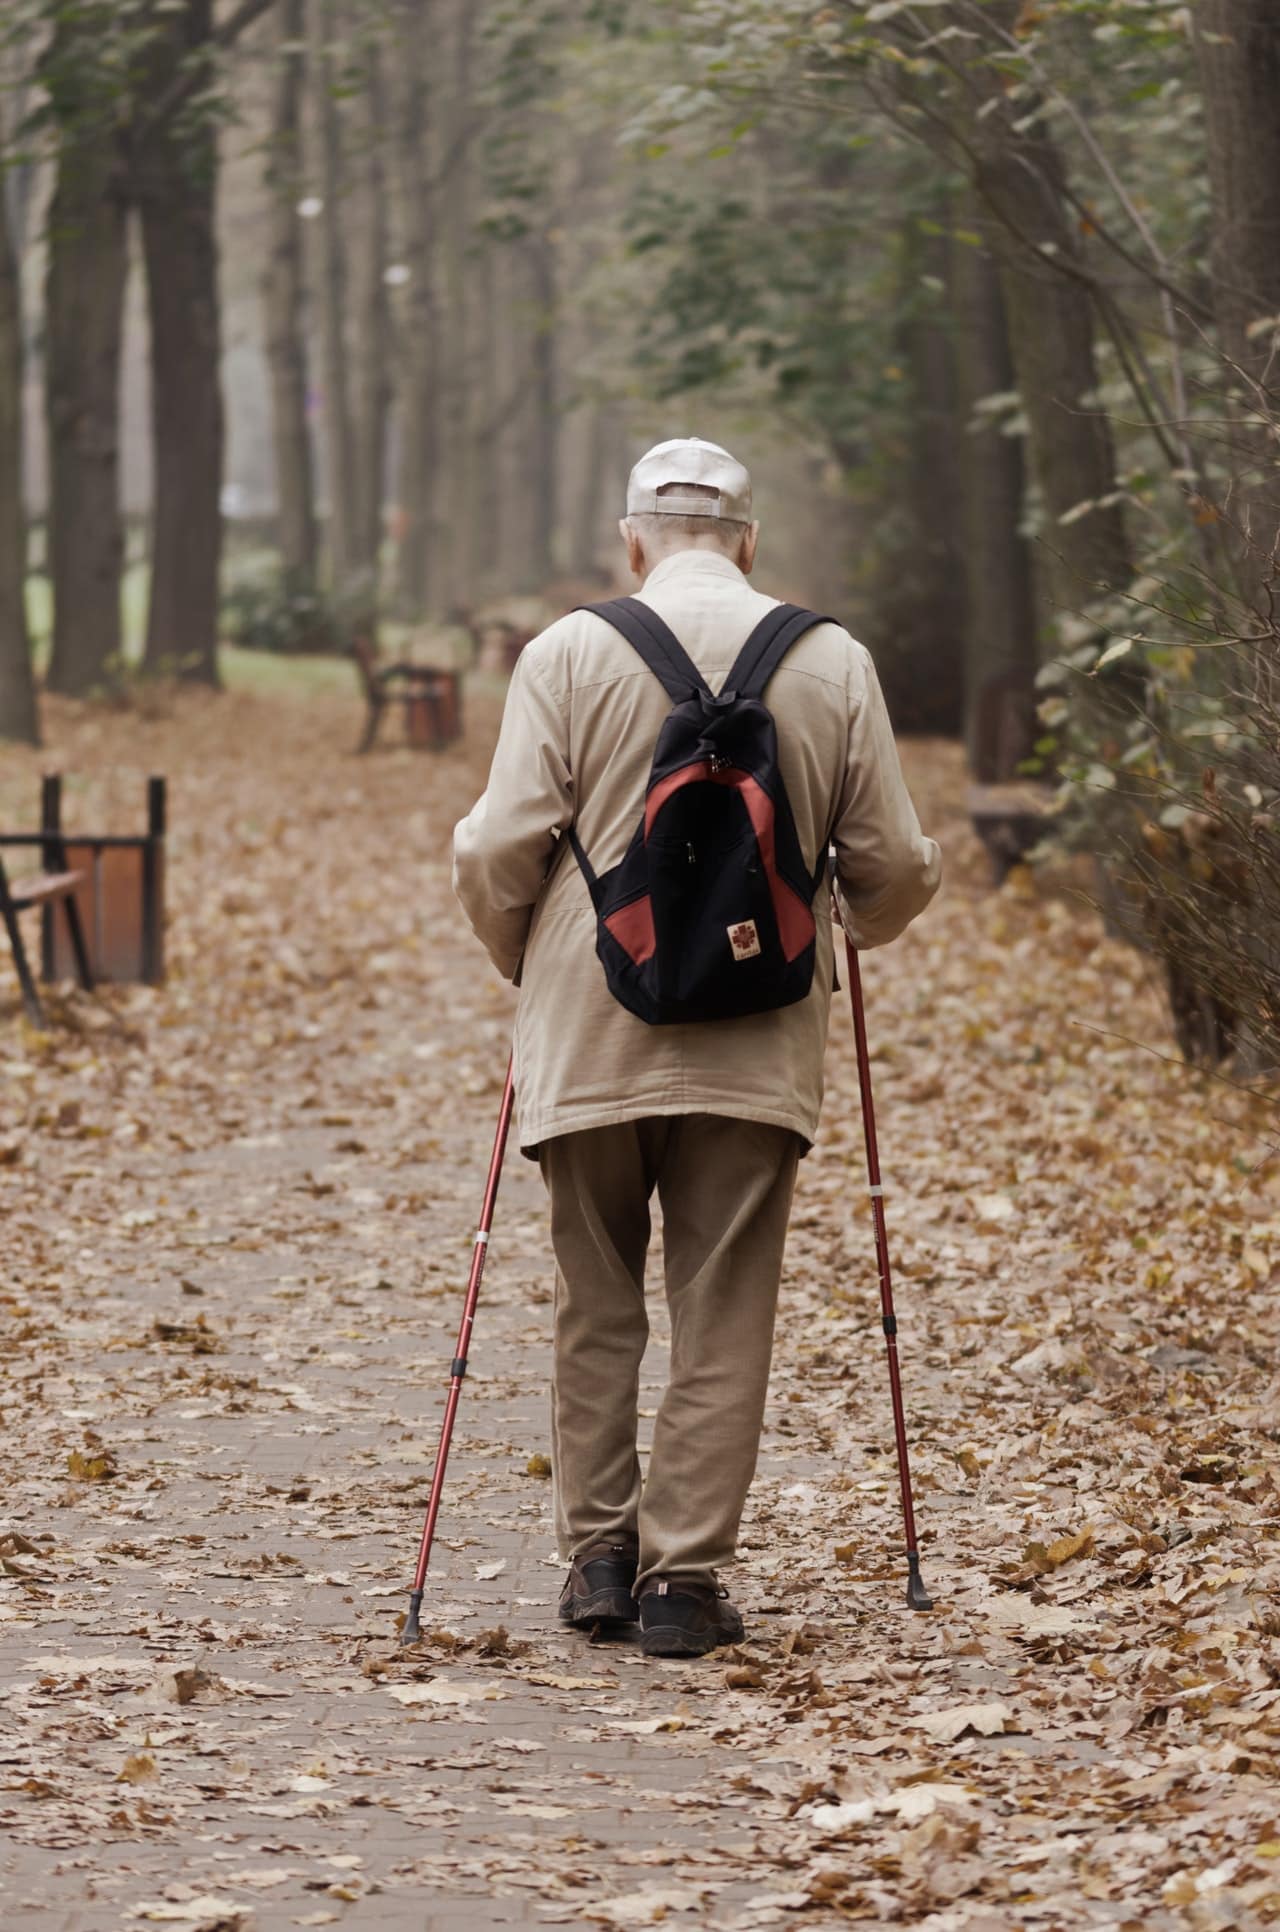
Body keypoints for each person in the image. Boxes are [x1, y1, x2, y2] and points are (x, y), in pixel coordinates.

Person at [453, 436, 940, 1657]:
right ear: (748, 540)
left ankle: (598, 1561)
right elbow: (890, 865)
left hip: (588, 1023)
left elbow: (492, 848)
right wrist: (848, 927)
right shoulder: (829, 660)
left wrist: (526, 955)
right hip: (758, 1031)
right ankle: (684, 1584)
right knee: (723, 1306)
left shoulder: (566, 653)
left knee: (594, 1299)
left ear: (631, 540)